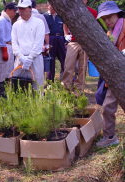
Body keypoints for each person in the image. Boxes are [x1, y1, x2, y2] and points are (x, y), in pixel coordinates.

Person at [96, 1, 124, 148]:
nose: (107, 21)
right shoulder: (110, 32)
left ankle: (109, 136)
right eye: (104, 18)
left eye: (110, 17)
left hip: (121, 73)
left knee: (108, 106)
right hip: (115, 74)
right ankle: (110, 136)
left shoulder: (124, 26)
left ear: (117, 14)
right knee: (107, 106)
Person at [61, 0, 97, 92]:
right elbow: (65, 22)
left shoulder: (92, 12)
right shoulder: (71, 10)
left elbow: (97, 27)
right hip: (73, 42)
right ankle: (66, 89)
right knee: (68, 66)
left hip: (85, 43)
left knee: (82, 67)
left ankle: (78, 91)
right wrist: (66, 34)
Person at [11, 0, 45, 88]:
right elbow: (14, 43)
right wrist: (21, 57)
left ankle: (38, 102)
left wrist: (30, 58)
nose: (20, 11)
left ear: (30, 8)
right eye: (19, 9)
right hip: (20, 59)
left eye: (23, 9)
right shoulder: (16, 25)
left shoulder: (39, 23)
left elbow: (38, 42)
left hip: (35, 59)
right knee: (18, 86)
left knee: (37, 86)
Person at [0, 3, 17, 83]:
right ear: (8, 10)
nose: (15, 13)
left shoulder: (8, 20)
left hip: (9, 46)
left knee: (8, 72)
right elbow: (1, 36)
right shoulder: (1, 20)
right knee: (1, 71)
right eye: (14, 11)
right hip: (3, 47)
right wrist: (4, 50)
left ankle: (5, 90)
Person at [44, 2, 66, 81]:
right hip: (50, 39)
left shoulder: (61, 15)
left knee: (64, 60)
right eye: (51, 5)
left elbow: (65, 28)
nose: (52, 7)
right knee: (51, 60)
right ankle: (50, 81)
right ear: (48, 6)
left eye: (54, 6)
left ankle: (66, 80)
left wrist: (65, 39)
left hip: (60, 39)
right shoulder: (44, 16)